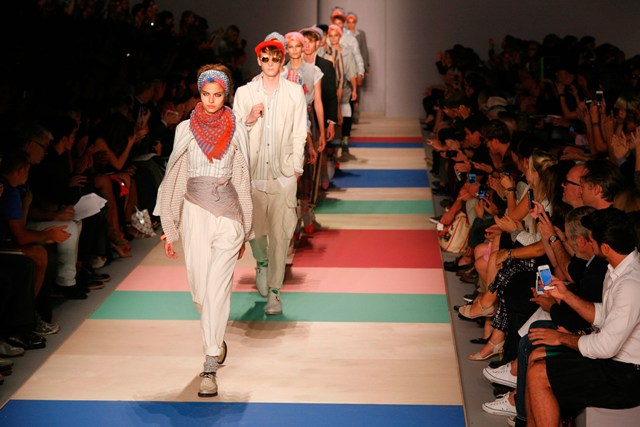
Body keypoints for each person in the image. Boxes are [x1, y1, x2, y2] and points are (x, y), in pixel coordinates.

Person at [155, 64, 252, 398]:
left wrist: (246, 227)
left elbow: (244, 178)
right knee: (200, 291)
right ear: (200, 93)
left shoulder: (238, 129)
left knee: (217, 290)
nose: (211, 101)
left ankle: (209, 363)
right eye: (206, 94)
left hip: (229, 215)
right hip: (194, 213)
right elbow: (174, 176)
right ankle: (216, 335)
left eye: (218, 95)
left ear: (227, 95)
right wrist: (169, 225)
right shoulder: (184, 129)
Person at [526, 207, 640, 426]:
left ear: (605, 248)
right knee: (537, 356)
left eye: (592, 240)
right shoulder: (619, 269)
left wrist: (562, 339)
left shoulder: (630, 284)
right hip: (615, 364)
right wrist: (565, 295)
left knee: (538, 374)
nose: (589, 243)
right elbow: (604, 315)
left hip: (626, 376)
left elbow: (605, 347)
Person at [233, 38, 307, 315]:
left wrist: (296, 168)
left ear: (282, 60)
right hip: (252, 174)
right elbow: (233, 132)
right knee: (255, 231)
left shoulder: (294, 92)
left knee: (281, 234)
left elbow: (299, 132)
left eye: (275, 58)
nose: (271, 63)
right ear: (259, 60)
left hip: (283, 174)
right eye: (265, 58)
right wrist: (250, 118)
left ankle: (275, 292)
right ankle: (261, 262)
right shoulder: (244, 93)